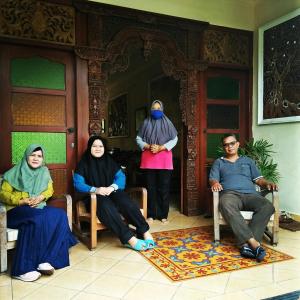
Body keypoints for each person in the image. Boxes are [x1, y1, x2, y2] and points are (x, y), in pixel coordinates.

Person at [0, 144, 77, 282]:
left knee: (59, 215)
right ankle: (22, 269)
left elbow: (49, 190)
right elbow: (3, 194)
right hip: (14, 211)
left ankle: (46, 260)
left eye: (39, 156)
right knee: (37, 218)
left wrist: (41, 197)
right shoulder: (14, 172)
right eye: (33, 155)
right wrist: (21, 201)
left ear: (43, 159)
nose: (36, 158)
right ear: (26, 156)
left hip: (37, 207)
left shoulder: (44, 172)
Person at [73, 135, 155, 251]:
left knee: (126, 201)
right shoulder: (83, 163)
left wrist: (112, 187)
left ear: (104, 148)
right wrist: (96, 189)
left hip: (111, 192)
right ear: (89, 147)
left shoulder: (109, 160)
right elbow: (78, 184)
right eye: (94, 146)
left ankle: (145, 232)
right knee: (106, 206)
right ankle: (129, 239)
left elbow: (121, 176)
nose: (97, 148)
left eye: (100, 146)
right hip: (94, 196)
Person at [209, 133, 277, 262]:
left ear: (238, 144)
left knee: (267, 206)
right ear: (223, 147)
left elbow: (259, 180)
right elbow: (213, 179)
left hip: (250, 194)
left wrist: (267, 183)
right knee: (225, 204)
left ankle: (245, 245)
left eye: (232, 143)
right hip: (230, 194)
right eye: (226, 145)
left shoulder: (248, 161)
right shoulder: (219, 162)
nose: (229, 147)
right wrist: (215, 183)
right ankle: (254, 243)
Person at [136, 100, 178, 224]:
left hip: (164, 160)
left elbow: (175, 139)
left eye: (159, 108)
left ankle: (163, 215)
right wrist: (147, 146)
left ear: (162, 110)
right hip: (148, 160)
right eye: (154, 108)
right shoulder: (145, 122)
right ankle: (150, 215)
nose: (156, 111)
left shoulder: (168, 123)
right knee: (150, 188)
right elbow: (138, 138)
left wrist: (161, 147)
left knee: (163, 189)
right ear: (151, 110)